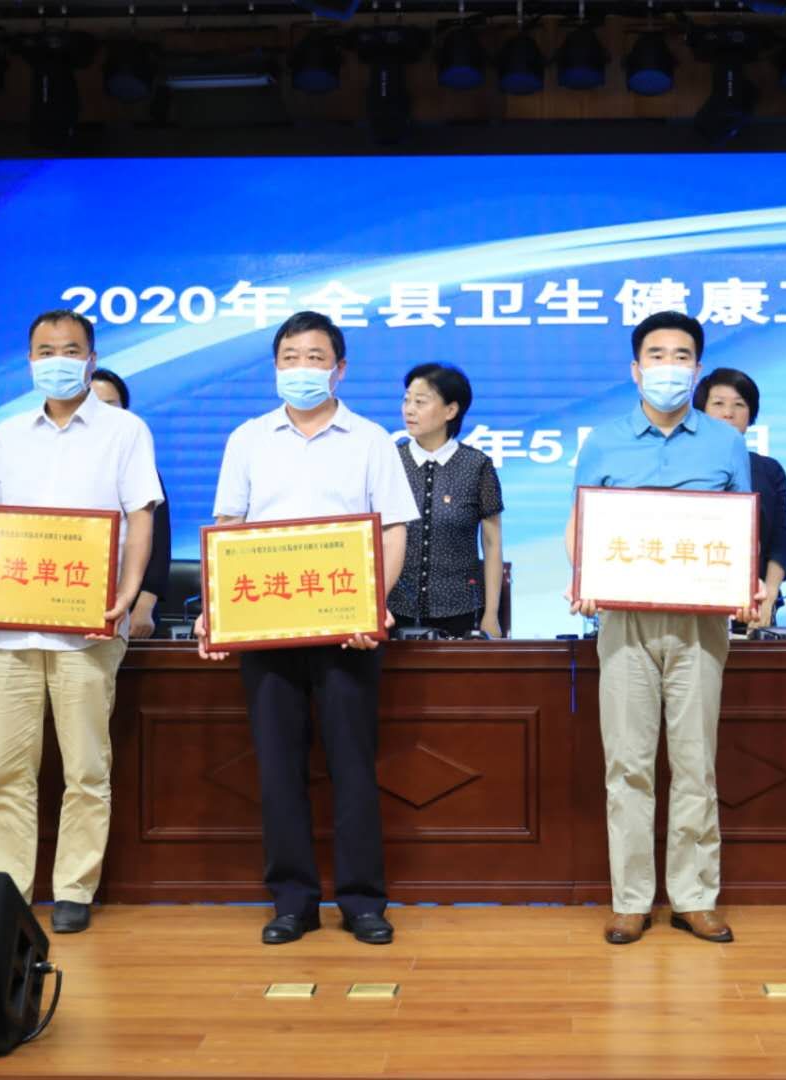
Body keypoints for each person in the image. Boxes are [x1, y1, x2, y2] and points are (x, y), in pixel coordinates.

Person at [196, 311, 418, 946]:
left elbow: (393, 530)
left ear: (339, 368)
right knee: (278, 769)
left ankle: (362, 901)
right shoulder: (248, 439)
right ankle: (292, 901)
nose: (301, 369)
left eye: (315, 358)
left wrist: (375, 606)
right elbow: (230, 528)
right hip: (266, 628)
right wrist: (217, 609)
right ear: (275, 367)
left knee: (353, 767)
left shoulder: (370, 439)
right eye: (289, 358)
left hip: (348, 630)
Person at [0, 310, 161, 934]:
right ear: (29, 360)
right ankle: (6, 889)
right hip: (10, 629)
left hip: (88, 629)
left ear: (91, 358)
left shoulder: (124, 429)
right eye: (45, 350)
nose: (56, 359)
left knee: (86, 769)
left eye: (69, 349)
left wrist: (126, 595)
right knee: (8, 768)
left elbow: (141, 517)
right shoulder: (9, 433)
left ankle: (73, 888)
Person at [567, 311, 759, 947]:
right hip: (624, 621)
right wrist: (581, 577)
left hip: (701, 623)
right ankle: (630, 901)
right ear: (635, 368)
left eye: (681, 356)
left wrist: (748, 585)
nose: (668, 367)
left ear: (697, 369)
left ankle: (694, 898)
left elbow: (743, 527)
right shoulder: (603, 442)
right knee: (628, 763)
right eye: (657, 355)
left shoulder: (725, 443)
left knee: (695, 763)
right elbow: (581, 524)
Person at [390, 362, 505, 639]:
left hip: (460, 610)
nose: (409, 409)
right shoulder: (390, 461)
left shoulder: (477, 465)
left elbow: (492, 544)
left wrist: (491, 614)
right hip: (394, 609)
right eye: (406, 400)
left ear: (450, 410)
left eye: (420, 402)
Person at [695, 368, 786, 628]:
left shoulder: (769, 470)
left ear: (751, 415)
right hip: (691, 605)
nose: (728, 413)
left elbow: (782, 540)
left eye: (739, 405)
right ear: (699, 413)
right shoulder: (683, 467)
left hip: (752, 607)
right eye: (718, 404)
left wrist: (769, 596)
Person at [90, 369, 172, 639]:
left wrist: (144, 606)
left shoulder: (138, 464)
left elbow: (158, 543)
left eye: (110, 405)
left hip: (129, 603)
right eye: (93, 404)